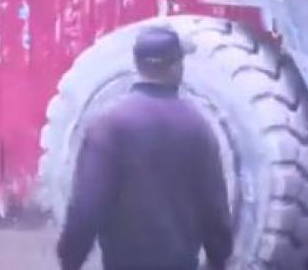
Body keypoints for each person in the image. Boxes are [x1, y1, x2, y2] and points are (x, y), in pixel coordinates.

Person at [56, 25, 233, 270]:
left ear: (138, 65)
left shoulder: (109, 124)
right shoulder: (198, 127)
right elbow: (215, 211)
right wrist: (217, 260)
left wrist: (70, 261)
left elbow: (86, 206)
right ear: (176, 67)